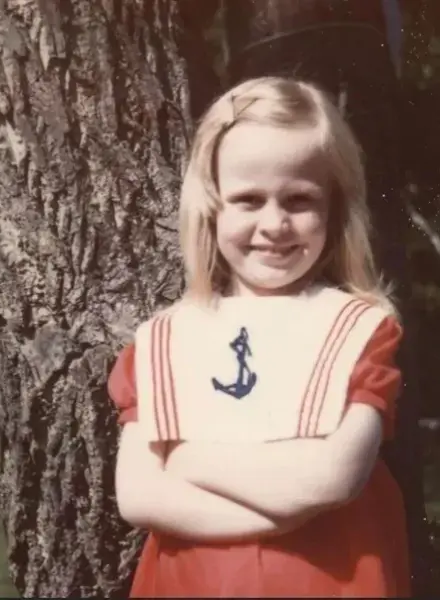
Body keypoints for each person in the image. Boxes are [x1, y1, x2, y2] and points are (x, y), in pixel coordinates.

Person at [108, 76, 411, 598]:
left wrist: (187, 458)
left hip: (331, 581)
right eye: (248, 199)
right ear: (211, 206)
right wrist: (279, 517)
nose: (275, 224)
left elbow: (332, 478)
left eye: (299, 199)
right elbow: (138, 495)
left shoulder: (357, 330)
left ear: (335, 209)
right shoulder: (165, 341)